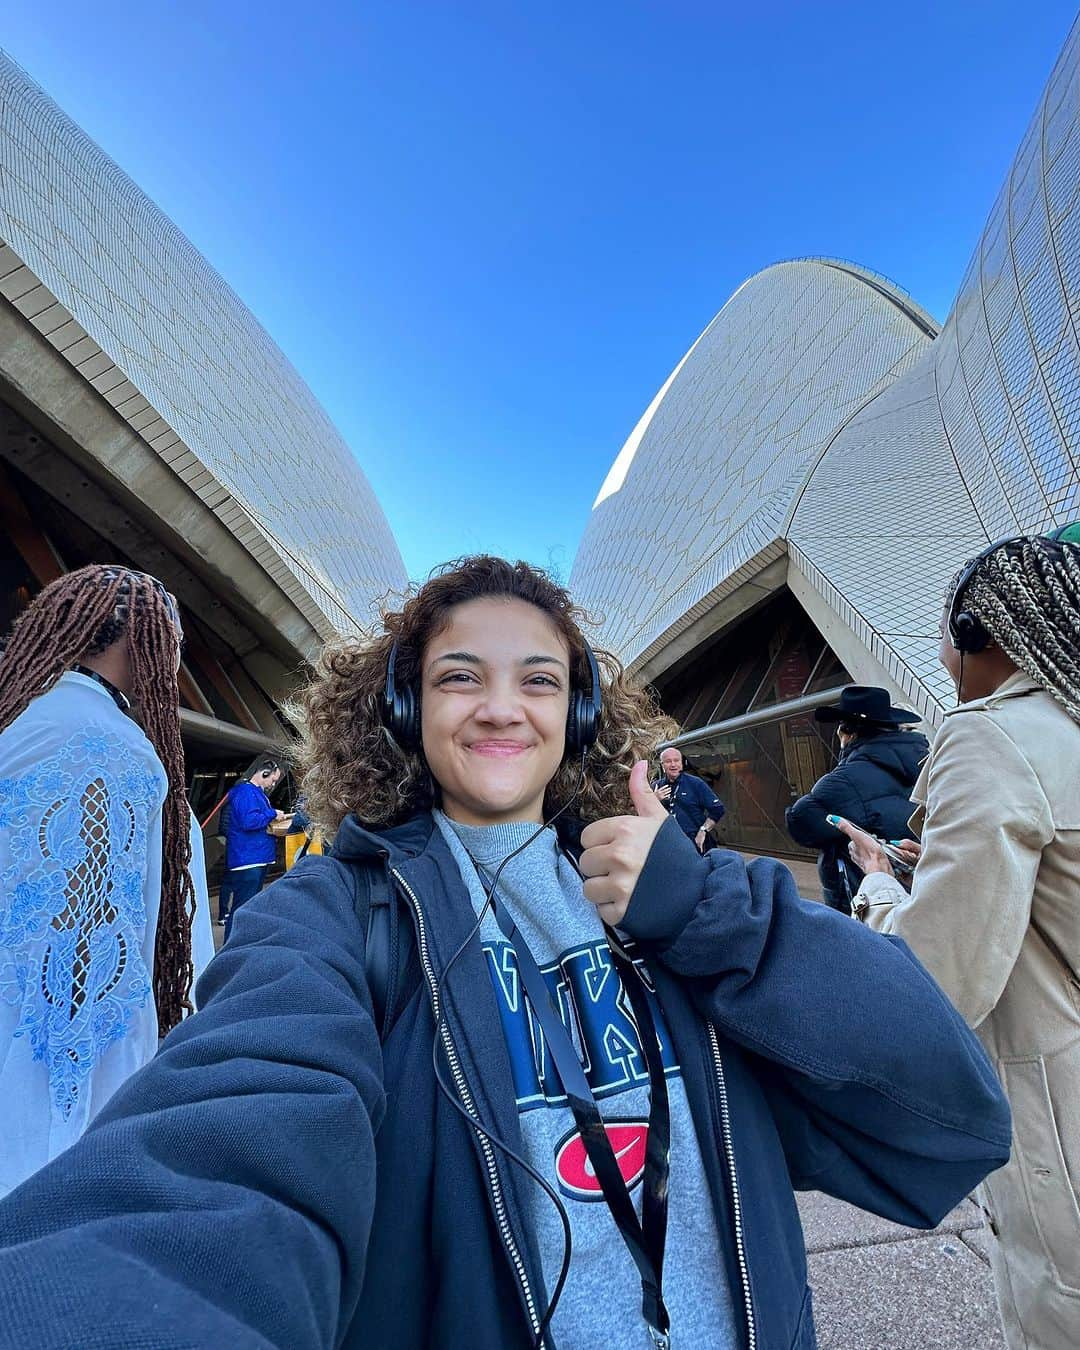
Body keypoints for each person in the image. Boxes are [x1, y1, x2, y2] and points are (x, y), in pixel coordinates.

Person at [0, 556, 1010, 1350]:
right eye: (457, 678)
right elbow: (222, 1151)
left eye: (538, 678)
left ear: (574, 715)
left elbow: (950, 1117)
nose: (498, 706)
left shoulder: (698, 911)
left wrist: (705, 911)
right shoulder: (335, 922)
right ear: (403, 711)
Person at [836, 531, 1080, 1350]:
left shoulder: (992, 735)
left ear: (982, 634)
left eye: (945, 636)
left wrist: (878, 882)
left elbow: (938, 977)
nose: (942, 659)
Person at [0, 564, 213, 1199]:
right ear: (135, 638)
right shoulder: (103, 742)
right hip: (51, 1110)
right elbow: (84, 970)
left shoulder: (31, 716)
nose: (174, 656)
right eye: (171, 636)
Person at [785, 687, 928, 912]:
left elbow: (799, 822)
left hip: (869, 899)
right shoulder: (927, 762)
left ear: (848, 732)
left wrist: (845, 757)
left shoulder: (844, 780)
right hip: (923, 890)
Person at [220, 759, 289, 938]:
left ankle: (240, 942)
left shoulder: (254, 793)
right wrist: (272, 813)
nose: (273, 784)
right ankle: (231, 945)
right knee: (242, 907)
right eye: (272, 780)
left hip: (255, 858)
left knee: (248, 906)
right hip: (248, 859)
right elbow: (249, 821)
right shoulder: (245, 792)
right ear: (264, 773)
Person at [651, 746, 725, 852]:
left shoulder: (695, 783)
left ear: (682, 763)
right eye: (668, 761)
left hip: (693, 843)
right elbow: (642, 816)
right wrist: (653, 800)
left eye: (676, 760)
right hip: (667, 844)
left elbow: (718, 809)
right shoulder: (656, 786)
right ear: (662, 765)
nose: (673, 765)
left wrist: (703, 830)